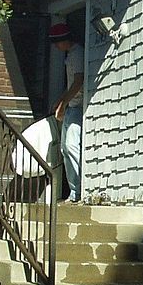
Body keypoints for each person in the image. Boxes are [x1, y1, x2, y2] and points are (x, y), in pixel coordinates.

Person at [48, 23, 84, 203]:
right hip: (72, 105)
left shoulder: (77, 53)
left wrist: (64, 104)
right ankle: (73, 191)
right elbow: (71, 84)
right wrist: (60, 100)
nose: (56, 47)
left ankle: (78, 191)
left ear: (64, 40)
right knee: (64, 148)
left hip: (77, 106)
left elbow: (78, 82)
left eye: (57, 42)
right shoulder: (70, 55)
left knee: (71, 145)